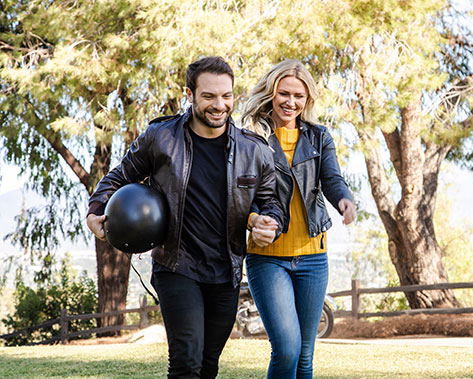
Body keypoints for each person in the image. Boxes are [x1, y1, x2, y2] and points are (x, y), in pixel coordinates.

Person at [86, 56, 284, 379]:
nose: (219, 105)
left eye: (226, 96)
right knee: (186, 362)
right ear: (189, 95)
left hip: (226, 270)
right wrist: (96, 209)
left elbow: (271, 202)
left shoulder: (255, 150)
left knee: (208, 366)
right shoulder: (161, 138)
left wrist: (269, 223)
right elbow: (120, 176)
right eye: (209, 96)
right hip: (177, 265)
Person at [241, 59, 356, 379]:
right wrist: (252, 219)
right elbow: (238, 193)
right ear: (271, 93)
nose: (291, 102)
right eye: (284, 93)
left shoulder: (319, 137)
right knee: (288, 349)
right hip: (268, 258)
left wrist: (344, 200)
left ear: (308, 100)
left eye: (299, 96)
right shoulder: (251, 138)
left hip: (313, 258)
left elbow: (332, 179)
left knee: (305, 356)